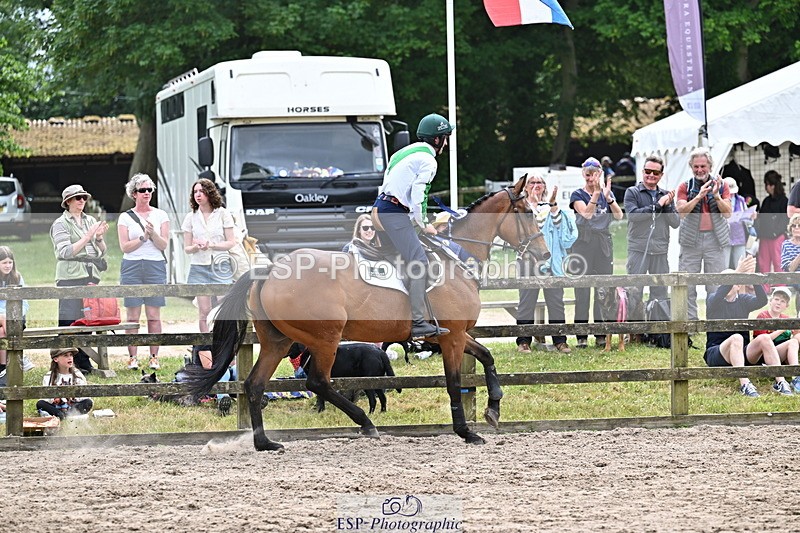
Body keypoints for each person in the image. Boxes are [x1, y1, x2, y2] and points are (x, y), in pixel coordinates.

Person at [371, 113, 453, 339]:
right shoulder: (428, 161)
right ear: (437, 140)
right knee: (419, 261)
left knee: (395, 259)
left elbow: (389, 180)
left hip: (382, 208)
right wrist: (424, 223)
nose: (446, 143)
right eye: (445, 138)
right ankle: (417, 322)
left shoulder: (404, 152)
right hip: (395, 213)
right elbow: (419, 195)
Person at [516, 174, 577, 354]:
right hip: (528, 261)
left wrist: (551, 206)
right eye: (532, 182)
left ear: (545, 187)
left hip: (552, 261)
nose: (536, 185)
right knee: (526, 301)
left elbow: (562, 232)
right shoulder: (521, 208)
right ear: (526, 187)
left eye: (540, 182)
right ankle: (523, 341)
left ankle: (560, 340)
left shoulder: (551, 206)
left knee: (556, 301)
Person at [570, 157, 624, 348]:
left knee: (603, 290)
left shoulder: (606, 194)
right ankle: (582, 335)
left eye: (594, 173)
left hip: (603, 244)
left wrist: (608, 197)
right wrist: (596, 194)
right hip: (584, 243)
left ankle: (601, 333)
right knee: (582, 289)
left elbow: (619, 215)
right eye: (587, 173)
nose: (590, 176)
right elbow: (586, 214)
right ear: (583, 174)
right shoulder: (577, 194)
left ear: (599, 173)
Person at [118, 173, 170, 371]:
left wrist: (153, 234)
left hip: (154, 265)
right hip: (131, 266)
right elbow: (125, 247)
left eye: (150, 190)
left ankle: (154, 356)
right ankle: (132, 357)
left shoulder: (161, 215)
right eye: (142, 190)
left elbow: (163, 244)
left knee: (153, 314)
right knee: (132, 315)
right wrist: (142, 237)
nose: (147, 193)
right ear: (134, 193)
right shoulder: (125, 217)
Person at [675, 147, 732, 320]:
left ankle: (713, 324)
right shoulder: (685, 186)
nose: (699, 170)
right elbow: (681, 212)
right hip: (690, 241)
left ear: (710, 166)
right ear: (691, 167)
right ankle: (691, 324)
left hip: (715, 240)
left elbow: (728, 212)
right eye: (696, 166)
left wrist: (716, 196)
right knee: (688, 285)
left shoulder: (722, 185)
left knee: (715, 286)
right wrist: (698, 196)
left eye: (703, 166)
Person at [703, 256, 772, 397]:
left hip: (742, 353)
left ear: (739, 286)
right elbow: (719, 295)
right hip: (717, 352)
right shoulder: (712, 299)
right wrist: (737, 271)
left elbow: (762, 300)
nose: (728, 285)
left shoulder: (744, 300)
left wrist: (753, 278)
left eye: (732, 282)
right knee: (736, 338)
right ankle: (745, 384)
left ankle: (781, 381)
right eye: (725, 281)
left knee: (763, 338)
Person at [181, 178, 236, 333]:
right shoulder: (190, 217)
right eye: (195, 192)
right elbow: (187, 248)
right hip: (199, 266)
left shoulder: (223, 214)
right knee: (204, 310)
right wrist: (197, 247)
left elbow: (231, 242)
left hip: (220, 264)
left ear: (210, 193)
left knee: (222, 308)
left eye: (202, 191)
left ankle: (224, 345)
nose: (198, 195)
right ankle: (205, 346)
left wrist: (211, 245)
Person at [50, 184, 109, 327]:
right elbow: (66, 252)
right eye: (78, 197)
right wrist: (88, 236)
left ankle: (84, 350)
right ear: (68, 201)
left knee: (89, 317)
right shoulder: (60, 224)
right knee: (69, 319)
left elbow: (101, 252)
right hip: (70, 276)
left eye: (84, 197)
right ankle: (66, 349)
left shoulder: (90, 221)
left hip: (90, 274)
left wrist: (99, 238)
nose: (82, 200)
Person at [623, 155, 679, 303]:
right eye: (648, 171)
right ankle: (634, 326)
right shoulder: (632, 192)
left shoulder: (666, 195)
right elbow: (633, 216)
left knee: (660, 295)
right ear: (642, 172)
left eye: (655, 173)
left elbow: (675, 222)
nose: (651, 175)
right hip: (638, 249)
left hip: (660, 250)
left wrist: (667, 206)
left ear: (661, 175)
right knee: (634, 292)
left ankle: (658, 325)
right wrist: (657, 205)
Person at [752, 286, 800, 394]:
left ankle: (796, 376)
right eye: (776, 299)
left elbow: (796, 335)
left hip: (781, 353)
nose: (778, 303)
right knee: (791, 342)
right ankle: (793, 376)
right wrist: (781, 329)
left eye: (782, 301)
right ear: (770, 301)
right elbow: (762, 340)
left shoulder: (786, 318)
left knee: (794, 340)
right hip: (765, 354)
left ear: (786, 306)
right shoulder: (763, 316)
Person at [36, 347, 94, 419]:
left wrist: (74, 396)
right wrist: (55, 399)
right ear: (56, 359)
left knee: (88, 402)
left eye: (71, 355)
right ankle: (60, 414)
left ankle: (68, 414)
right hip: (56, 406)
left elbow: (84, 395)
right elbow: (46, 397)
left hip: (73, 405)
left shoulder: (77, 374)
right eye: (66, 355)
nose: (70, 358)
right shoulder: (49, 376)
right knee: (40, 403)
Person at [0, 246, 32, 373]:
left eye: (10, 262)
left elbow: (24, 303)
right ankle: (21, 357)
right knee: (3, 317)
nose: (8, 266)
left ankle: (3, 368)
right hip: (2, 317)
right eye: (4, 263)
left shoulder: (17, 277)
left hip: (14, 318)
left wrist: (17, 314)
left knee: (2, 333)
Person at [756, 170, 788, 275]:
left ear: (772, 185)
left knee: (778, 263)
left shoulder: (784, 201)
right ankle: (764, 290)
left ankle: (780, 288)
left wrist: (776, 232)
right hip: (765, 237)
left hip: (777, 237)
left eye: (767, 184)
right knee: (763, 264)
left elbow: (785, 220)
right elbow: (761, 218)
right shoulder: (766, 201)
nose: (766, 187)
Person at [721, 177, 752, 270]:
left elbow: (748, 219)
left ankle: (742, 285)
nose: (731, 194)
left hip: (739, 236)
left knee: (742, 264)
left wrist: (751, 216)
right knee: (723, 266)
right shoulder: (719, 200)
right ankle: (724, 284)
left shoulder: (741, 200)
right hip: (724, 236)